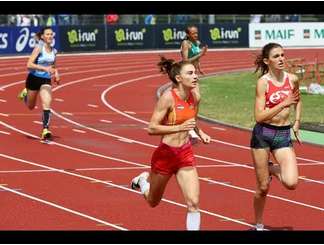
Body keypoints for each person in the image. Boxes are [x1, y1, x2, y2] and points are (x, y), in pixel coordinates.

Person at [131, 56, 211, 230]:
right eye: (190, 73)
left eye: (195, 72)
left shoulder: (195, 97)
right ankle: (143, 181)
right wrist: (179, 127)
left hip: (185, 154)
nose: (195, 76)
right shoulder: (168, 98)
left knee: (193, 203)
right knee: (153, 201)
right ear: (178, 78)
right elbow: (151, 128)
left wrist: (200, 132)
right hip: (165, 154)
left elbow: (192, 119)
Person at [251, 42, 302, 231]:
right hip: (263, 134)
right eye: (276, 56)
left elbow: (297, 100)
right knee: (263, 188)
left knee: (291, 183)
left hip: (282, 134)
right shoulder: (263, 83)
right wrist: (283, 104)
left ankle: (271, 169)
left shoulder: (293, 79)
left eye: (282, 55)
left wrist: (296, 121)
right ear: (267, 61)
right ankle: (258, 224)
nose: (281, 59)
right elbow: (259, 116)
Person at [18, 26, 60, 140]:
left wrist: (56, 73)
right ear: (42, 37)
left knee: (47, 103)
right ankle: (25, 94)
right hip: (33, 79)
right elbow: (29, 65)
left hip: (46, 80)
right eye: (47, 34)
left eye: (51, 34)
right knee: (31, 106)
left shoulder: (54, 51)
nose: (50, 36)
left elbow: (53, 66)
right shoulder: (38, 48)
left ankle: (45, 129)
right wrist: (44, 68)